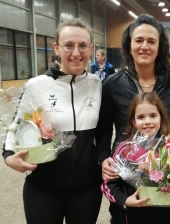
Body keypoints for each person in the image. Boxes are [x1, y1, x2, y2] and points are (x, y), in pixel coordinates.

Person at [2, 18, 103, 224]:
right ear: (56, 48)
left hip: (87, 190)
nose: (76, 53)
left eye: (83, 45)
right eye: (68, 45)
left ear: (90, 48)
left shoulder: (97, 84)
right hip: (43, 189)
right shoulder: (36, 85)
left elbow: (104, 133)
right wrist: (8, 155)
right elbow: (15, 126)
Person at [98, 14, 170, 224]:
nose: (144, 46)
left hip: (162, 171)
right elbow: (103, 129)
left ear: (160, 47)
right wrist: (103, 159)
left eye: (151, 41)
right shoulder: (112, 84)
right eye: (138, 40)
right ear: (129, 46)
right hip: (124, 172)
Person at [101, 92, 170, 224]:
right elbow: (109, 185)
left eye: (153, 116)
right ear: (134, 121)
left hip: (163, 217)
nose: (147, 121)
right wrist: (124, 200)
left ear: (161, 118)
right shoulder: (124, 150)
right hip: (129, 217)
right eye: (141, 117)